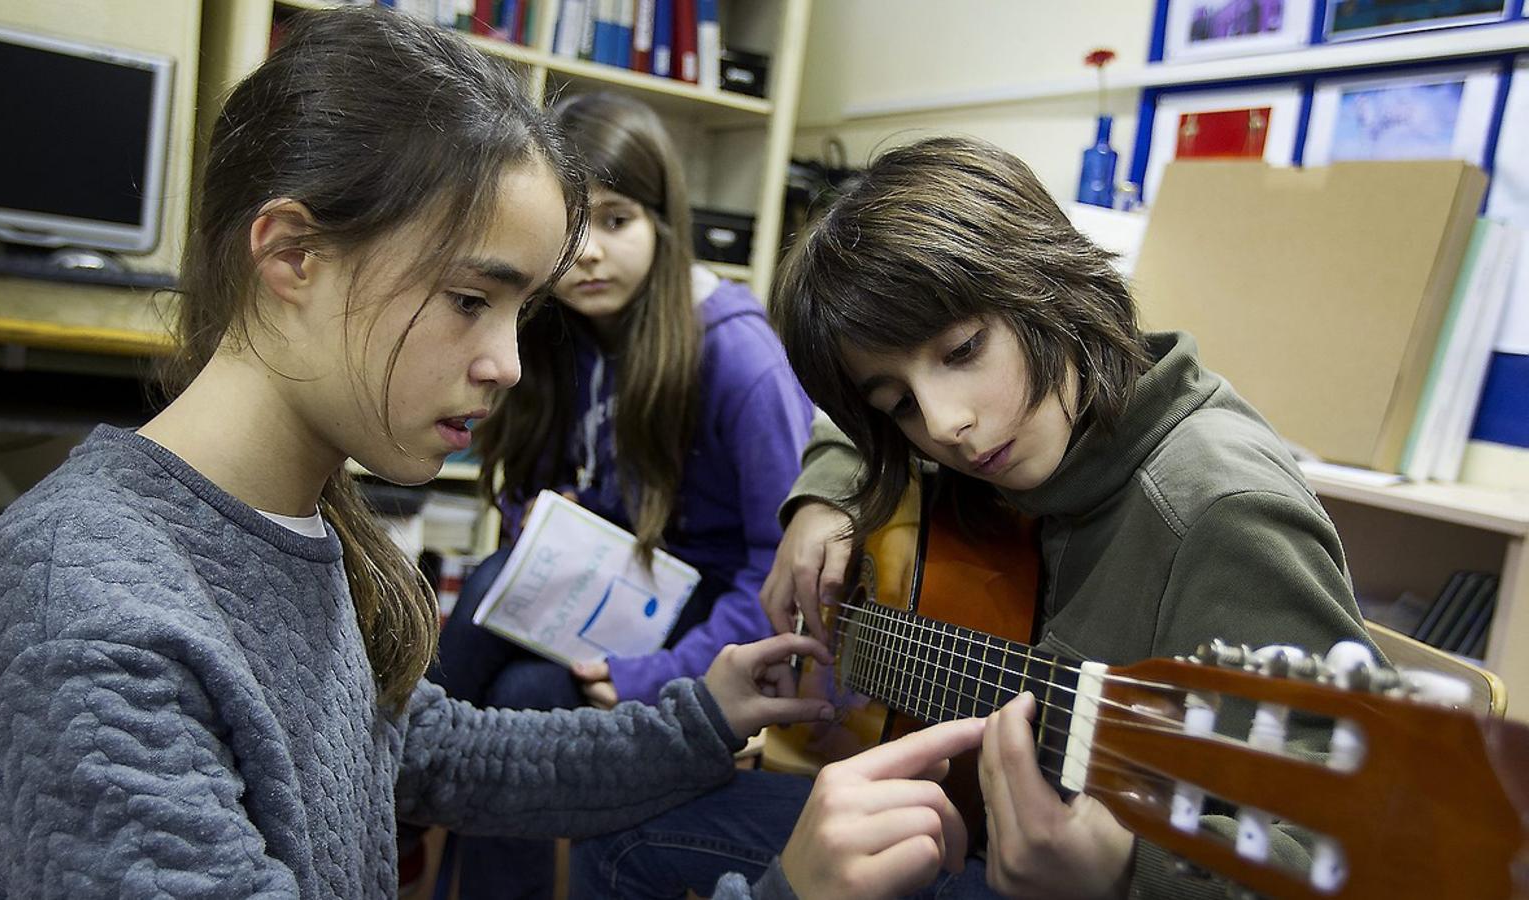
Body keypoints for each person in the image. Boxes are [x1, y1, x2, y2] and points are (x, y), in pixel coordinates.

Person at [0, 11, 837, 898]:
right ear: (293, 257)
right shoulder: (86, 613)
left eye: (522, 314)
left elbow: (437, 753)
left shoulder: (310, 530)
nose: (510, 365)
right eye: (469, 299)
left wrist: (706, 714)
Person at [572, 135, 1378, 899]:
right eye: (900, 405)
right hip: (961, 819)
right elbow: (850, 424)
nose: (946, 423)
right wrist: (826, 490)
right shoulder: (1025, 431)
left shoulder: (1224, 514)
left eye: (962, 352)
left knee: (632, 836)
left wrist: (1127, 867)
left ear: (1050, 284)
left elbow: (1356, 851)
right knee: (621, 808)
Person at [426, 89, 813, 897]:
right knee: (521, 694)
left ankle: (391, 782)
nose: (589, 254)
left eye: (616, 220)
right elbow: (536, 483)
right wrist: (542, 529)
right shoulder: (561, 330)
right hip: (605, 594)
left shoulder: (739, 355)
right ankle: (419, 800)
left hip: (704, 621)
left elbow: (780, 575)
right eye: (571, 230)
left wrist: (661, 674)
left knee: (497, 606)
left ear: (664, 222)